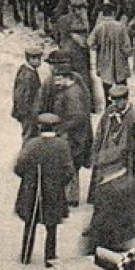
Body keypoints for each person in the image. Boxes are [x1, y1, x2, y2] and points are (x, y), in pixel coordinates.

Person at [14, 113, 74, 266]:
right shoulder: (62, 146)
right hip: (53, 192)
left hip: (32, 190)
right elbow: (69, 172)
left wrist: (28, 179)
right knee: (51, 226)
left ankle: (25, 255)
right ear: (55, 127)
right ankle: (50, 258)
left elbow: (18, 167)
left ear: (40, 127)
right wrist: (60, 183)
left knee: (30, 223)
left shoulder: (32, 144)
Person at [40, 52, 92, 203]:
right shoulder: (76, 82)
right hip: (76, 134)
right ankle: (70, 195)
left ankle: (71, 197)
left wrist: (60, 129)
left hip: (73, 136)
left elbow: (76, 117)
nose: (56, 81)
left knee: (70, 163)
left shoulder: (72, 94)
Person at [91, 83, 135, 202]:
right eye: (113, 101)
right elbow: (100, 131)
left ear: (126, 99)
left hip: (126, 158)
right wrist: (96, 151)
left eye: (118, 101)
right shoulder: (109, 111)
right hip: (108, 154)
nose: (115, 105)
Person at [84, 159, 135, 254]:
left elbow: (101, 216)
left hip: (110, 238)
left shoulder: (106, 189)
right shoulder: (128, 182)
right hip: (123, 239)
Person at [89, 5, 133, 103]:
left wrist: (99, 47)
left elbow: (90, 43)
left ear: (102, 14)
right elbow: (127, 47)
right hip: (120, 62)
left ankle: (108, 107)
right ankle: (124, 105)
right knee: (122, 86)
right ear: (113, 13)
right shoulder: (121, 26)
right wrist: (127, 53)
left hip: (104, 61)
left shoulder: (99, 27)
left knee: (106, 87)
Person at [12, 44, 45, 139]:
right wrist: (28, 113)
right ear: (29, 59)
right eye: (35, 59)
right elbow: (21, 95)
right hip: (28, 113)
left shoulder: (26, 70)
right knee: (29, 136)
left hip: (28, 112)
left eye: (39, 58)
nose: (38, 61)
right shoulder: (28, 75)